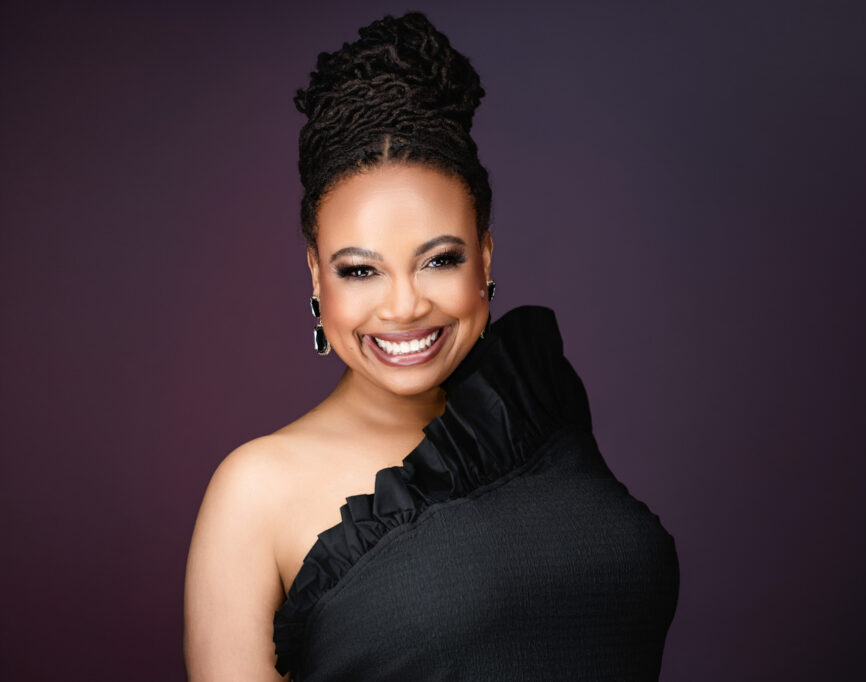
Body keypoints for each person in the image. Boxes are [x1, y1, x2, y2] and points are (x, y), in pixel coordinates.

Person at [184, 11, 678, 681]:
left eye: (438, 260)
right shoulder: (255, 491)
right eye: (360, 270)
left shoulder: (537, 401)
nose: (403, 305)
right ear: (315, 274)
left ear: (485, 258)